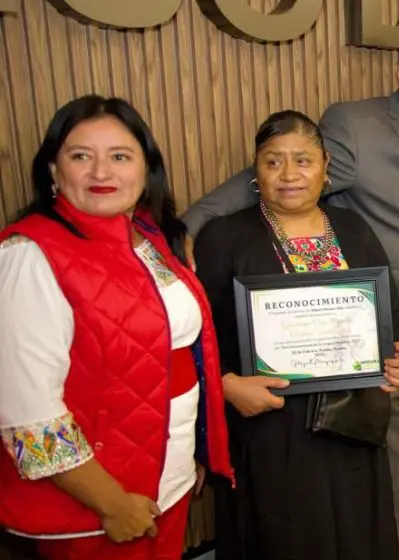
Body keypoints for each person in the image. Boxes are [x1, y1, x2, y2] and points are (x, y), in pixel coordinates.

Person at [179, 20, 399, 560]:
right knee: (387, 485)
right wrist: (191, 224)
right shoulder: (357, 124)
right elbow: (289, 170)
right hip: (372, 351)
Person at [0, 95, 233, 559]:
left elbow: (176, 354)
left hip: (165, 485)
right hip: (96, 508)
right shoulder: (30, 256)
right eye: (81, 156)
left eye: (120, 157)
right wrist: (110, 504)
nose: (101, 173)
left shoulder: (148, 239)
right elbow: (27, 417)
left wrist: (187, 454)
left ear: (146, 170)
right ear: (53, 170)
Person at [194, 111, 399, 560]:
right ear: (256, 171)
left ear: (326, 165)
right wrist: (225, 385)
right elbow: (196, 337)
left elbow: (391, 311)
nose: (289, 175)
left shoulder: (352, 229)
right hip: (271, 430)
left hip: (352, 424)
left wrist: (396, 355)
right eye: (273, 162)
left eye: (303, 161)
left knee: (357, 533)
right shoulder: (224, 237)